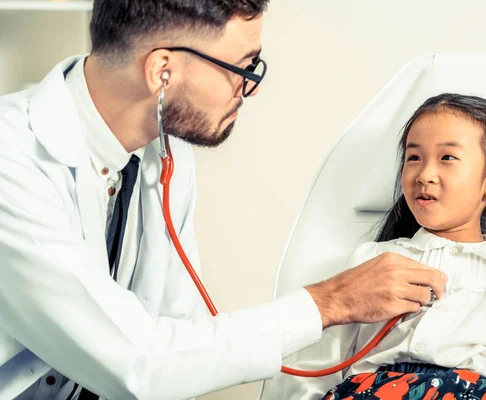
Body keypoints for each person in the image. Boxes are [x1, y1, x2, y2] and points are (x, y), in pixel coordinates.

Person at [0, 1, 448, 399]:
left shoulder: (167, 154)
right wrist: (328, 302)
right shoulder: (11, 161)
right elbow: (138, 365)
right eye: (242, 66)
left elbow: (180, 337)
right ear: (162, 71)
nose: (248, 87)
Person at [270, 94, 486, 399]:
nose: (424, 174)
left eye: (447, 157)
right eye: (414, 157)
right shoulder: (372, 261)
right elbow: (317, 363)